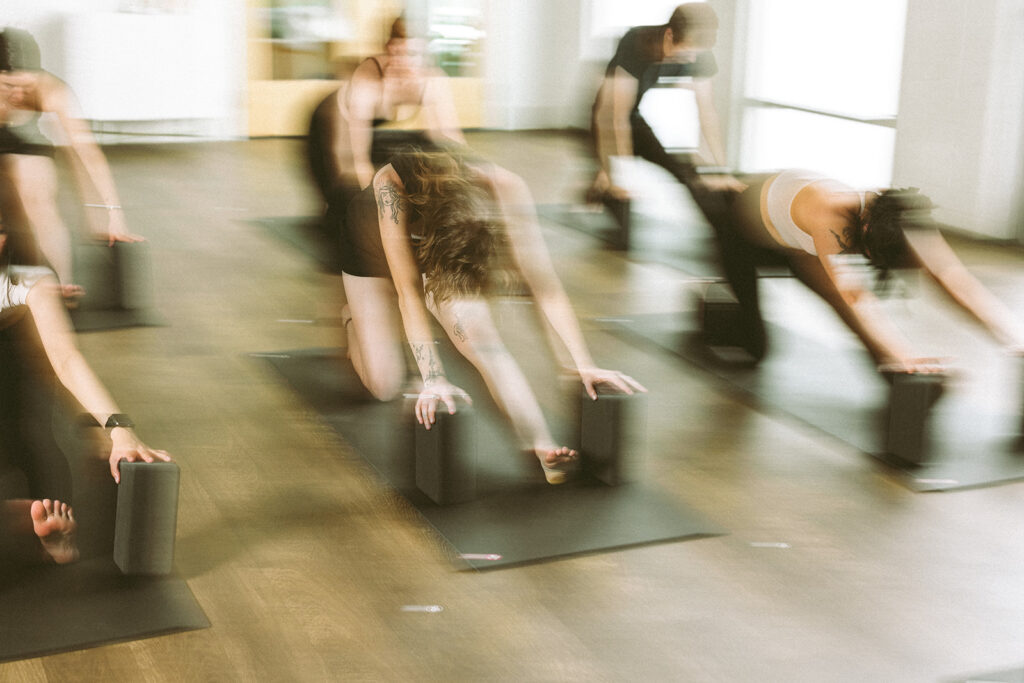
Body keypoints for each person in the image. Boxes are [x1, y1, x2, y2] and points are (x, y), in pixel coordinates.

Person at [341, 146, 646, 483]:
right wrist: (433, 377)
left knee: (481, 339)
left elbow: (543, 286)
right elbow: (409, 293)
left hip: (441, 252)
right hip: (365, 245)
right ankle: (352, 319)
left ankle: (539, 445)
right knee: (383, 385)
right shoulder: (390, 189)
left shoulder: (506, 188)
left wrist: (579, 361)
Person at [703, 169, 1024, 371]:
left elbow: (951, 278)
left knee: (843, 302)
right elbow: (853, 296)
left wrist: (1011, 337)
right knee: (757, 351)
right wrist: (903, 352)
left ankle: (894, 371)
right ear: (866, 232)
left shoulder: (898, 216)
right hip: (740, 229)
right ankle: (709, 308)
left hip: (796, 242)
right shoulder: (827, 219)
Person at [0, 203, 170, 564]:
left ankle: (26, 521)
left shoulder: (25, 282)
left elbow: (66, 359)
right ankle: (16, 517)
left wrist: (119, 430)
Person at [306, 16, 466, 268]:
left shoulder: (432, 80)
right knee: (343, 192)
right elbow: (354, 157)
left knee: (433, 162)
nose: (408, 62)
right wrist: (370, 207)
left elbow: (449, 139)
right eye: (401, 53)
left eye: (415, 54)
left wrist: (468, 181)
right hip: (327, 123)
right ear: (390, 49)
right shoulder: (368, 81)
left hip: (374, 128)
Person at [0, 27, 143, 300]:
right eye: (8, 87)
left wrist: (113, 215)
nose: (18, 94)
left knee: (35, 190)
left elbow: (87, 156)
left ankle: (61, 281)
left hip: (21, 143)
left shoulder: (52, 91)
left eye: (25, 87)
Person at [589, 3, 744, 219]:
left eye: (696, 55)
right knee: (619, 193)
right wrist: (621, 175)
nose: (691, 60)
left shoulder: (699, 54)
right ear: (669, 35)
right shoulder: (636, 42)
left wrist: (721, 171)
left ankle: (602, 181)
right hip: (602, 115)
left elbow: (707, 114)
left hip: (634, 116)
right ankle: (600, 186)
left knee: (678, 167)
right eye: (687, 52)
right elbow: (613, 117)